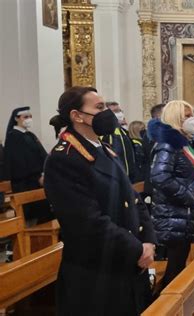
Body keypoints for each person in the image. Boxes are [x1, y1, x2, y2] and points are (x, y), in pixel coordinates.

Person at [44, 86, 157, 316]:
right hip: (98, 274)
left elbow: (133, 200)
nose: (107, 113)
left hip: (126, 264)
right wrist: (137, 248)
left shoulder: (104, 149)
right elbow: (88, 222)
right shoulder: (64, 159)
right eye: (99, 108)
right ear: (77, 116)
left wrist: (149, 240)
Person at [148, 100, 194, 288]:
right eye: (188, 116)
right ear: (176, 118)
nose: (192, 119)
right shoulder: (168, 144)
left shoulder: (184, 143)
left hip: (183, 215)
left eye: (192, 115)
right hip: (174, 214)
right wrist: (188, 196)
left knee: (179, 264)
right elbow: (160, 176)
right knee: (175, 268)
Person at [4, 107, 52, 223]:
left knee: (45, 213)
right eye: (25, 117)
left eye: (30, 117)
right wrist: (37, 176)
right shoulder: (13, 136)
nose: (29, 119)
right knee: (32, 215)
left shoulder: (30, 134)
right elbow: (19, 162)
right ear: (16, 118)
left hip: (37, 179)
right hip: (25, 182)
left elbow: (42, 154)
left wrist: (45, 171)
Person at [101, 101, 136, 182]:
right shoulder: (104, 133)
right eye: (115, 111)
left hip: (129, 178)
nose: (119, 114)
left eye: (120, 111)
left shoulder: (124, 132)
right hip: (114, 179)